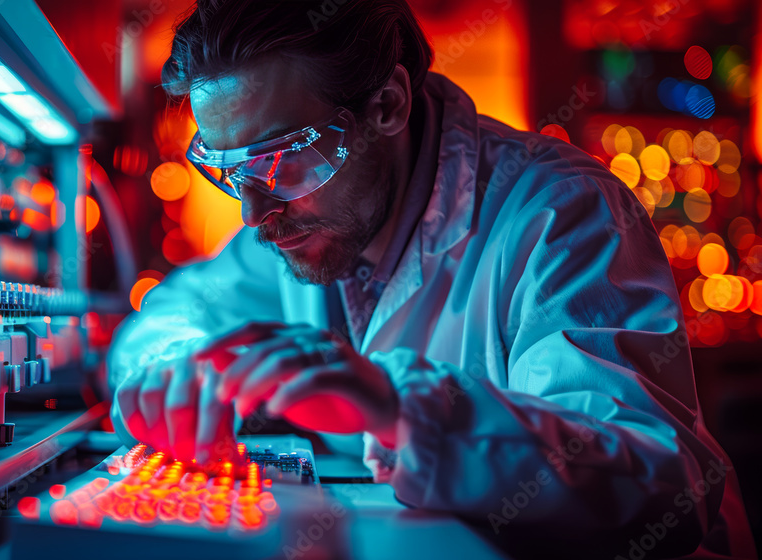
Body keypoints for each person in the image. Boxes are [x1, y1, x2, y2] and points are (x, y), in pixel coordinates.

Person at [107, 1, 755, 556]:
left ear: (387, 104)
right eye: (229, 169)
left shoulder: (561, 214)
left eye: (280, 158)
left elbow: (659, 483)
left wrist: (401, 408)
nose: (254, 214)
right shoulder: (298, 222)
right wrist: (177, 367)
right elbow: (171, 314)